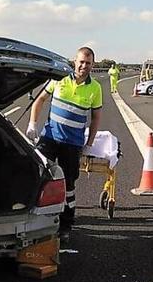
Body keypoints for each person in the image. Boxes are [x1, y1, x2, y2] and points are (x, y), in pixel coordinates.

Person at [26, 46, 103, 245]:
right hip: (49, 139)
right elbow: (39, 101)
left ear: (92, 65)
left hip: (72, 144)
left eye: (88, 63)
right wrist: (33, 124)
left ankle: (66, 225)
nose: (84, 66)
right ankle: (35, 221)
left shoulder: (95, 88)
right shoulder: (59, 79)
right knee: (39, 178)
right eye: (81, 62)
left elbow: (96, 118)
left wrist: (90, 143)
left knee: (68, 186)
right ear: (74, 62)